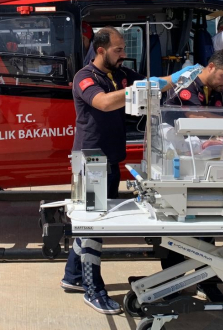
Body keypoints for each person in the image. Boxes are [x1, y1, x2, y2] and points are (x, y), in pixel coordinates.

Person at [61, 26, 197, 314]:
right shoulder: (85, 77)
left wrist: (176, 78)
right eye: (118, 50)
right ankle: (92, 289)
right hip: (90, 161)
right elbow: (104, 102)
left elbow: (150, 82)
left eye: (123, 49)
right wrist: (138, 90)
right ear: (101, 50)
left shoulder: (119, 75)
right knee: (93, 226)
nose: (124, 55)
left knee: (92, 221)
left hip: (109, 159)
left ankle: (73, 276)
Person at [162, 48, 223, 303]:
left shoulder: (220, 90)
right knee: (177, 226)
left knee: (208, 223)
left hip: (209, 163)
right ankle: (171, 282)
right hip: (180, 163)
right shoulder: (185, 85)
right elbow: (196, 116)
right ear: (210, 67)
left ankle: (206, 279)